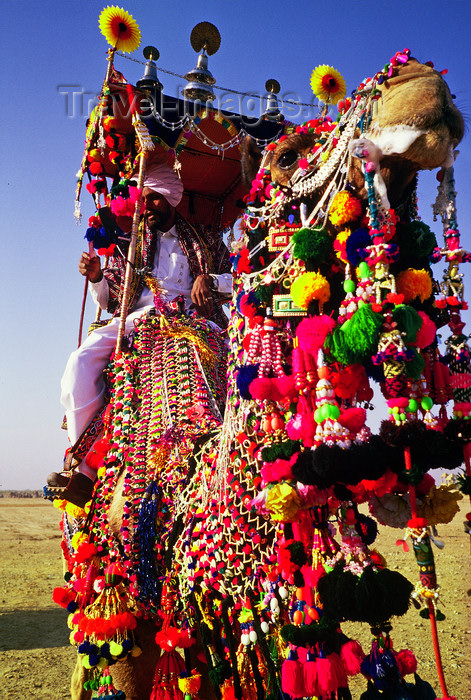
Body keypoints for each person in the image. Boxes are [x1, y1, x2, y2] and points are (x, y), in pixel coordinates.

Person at [47, 162, 232, 507]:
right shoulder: (132, 244)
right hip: (135, 319)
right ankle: (84, 468)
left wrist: (212, 281)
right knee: (78, 363)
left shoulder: (205, 240)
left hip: (190, 321)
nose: (146, 207)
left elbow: (237, 279)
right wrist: (97, 277)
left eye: (154, 199)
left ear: (171, 199)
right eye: (143, 199)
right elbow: (110, 298)